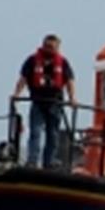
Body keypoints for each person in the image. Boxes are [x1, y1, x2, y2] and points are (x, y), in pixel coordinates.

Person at [12, 34, 78, 168]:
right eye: (46, 46)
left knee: (53, 134)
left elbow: (70, 81)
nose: (48, 49)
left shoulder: (63, 62)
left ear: (58, 48)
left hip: (55, 103)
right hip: (38, 102)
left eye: (52, 47)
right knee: (35, 132)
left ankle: (49, 162)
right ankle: (32, 161)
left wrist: (72, 99)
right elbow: (23, 79)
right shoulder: (32, 61)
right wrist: (17, 94)